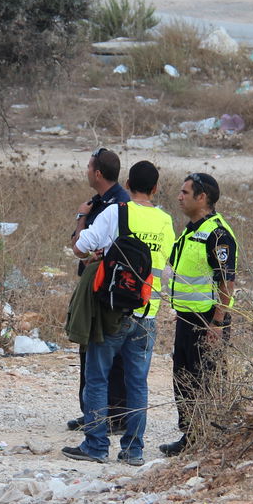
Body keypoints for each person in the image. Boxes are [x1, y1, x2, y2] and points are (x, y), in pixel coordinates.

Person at [63, 161, 176, 465]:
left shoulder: (116, 212)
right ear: (155, 188)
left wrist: (94, 249)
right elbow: (166, 263)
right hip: (147, 311)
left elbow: (80, 247)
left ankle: (96, 446)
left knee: (97, 378)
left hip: (111, 312)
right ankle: (133, 450)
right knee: (137, 383)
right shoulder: (165, 221)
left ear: (127, 184)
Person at [161, 172, 238, 457]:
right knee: (183, 377)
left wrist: (217, 323)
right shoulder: (191, 230)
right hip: (186, 318)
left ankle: (209, 438)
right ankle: (190, 436)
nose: (179, 197)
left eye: (185, 192)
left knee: (205, 380)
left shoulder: (218, 235)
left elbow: (226, 283)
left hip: (207, 321)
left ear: (201, 197)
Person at [67, 149, 129, 432]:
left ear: (98, 173)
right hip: (95, 283)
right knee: (89, 348)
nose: (86, 171)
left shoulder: (117, 205)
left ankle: (112, 416)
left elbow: (81, 247)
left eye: (89, 167)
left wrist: (81, 217)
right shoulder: (99, 201)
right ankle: (91, 412)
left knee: (107, 353)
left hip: (108, 288)